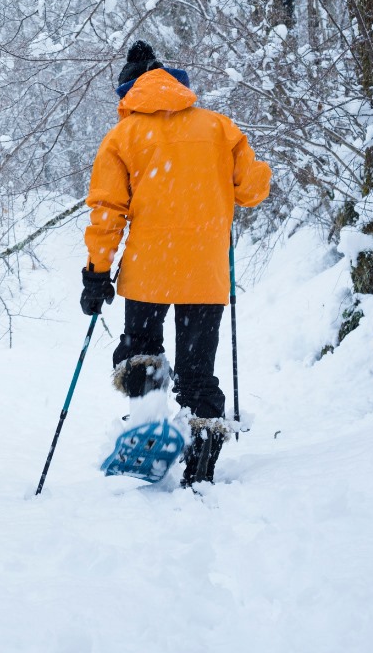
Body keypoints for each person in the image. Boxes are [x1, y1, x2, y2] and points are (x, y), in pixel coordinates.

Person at [81, 40, 271, 486]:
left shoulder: (123, 137)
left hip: (148, 272)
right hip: (205, 275)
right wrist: (251, 170)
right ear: (176, 85)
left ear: (127, 93)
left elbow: (107, 210)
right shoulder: (219, 129)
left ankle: (148, 425)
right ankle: (201, 463)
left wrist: (96, 273)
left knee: (141, 354)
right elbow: (252, 190)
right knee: (196, 371)